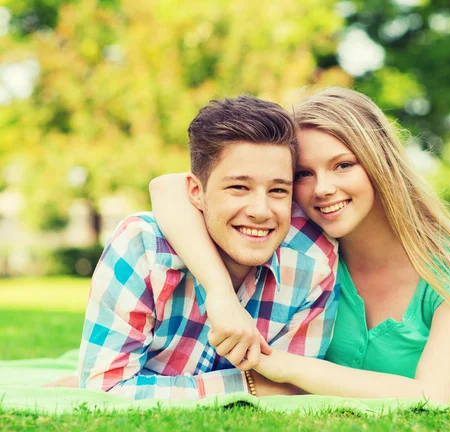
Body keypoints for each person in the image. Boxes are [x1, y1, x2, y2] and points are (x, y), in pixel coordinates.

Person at [150, 87, 450, 406]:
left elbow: (438, 397)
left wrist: (286, 368)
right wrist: (219, 294)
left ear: (381, 164)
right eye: (304, 173)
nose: (322, 189)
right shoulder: (296, 230)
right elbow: (168, 188)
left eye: (343, 165)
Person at [75, 95, 339, 400]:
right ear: (196, 192)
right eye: (239, 187)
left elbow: (293, 386)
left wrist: (148, 386)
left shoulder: (313, 261)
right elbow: (104, 392)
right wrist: (248, 387)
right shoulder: (142, 248)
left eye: (278, 190)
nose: (261, 210)